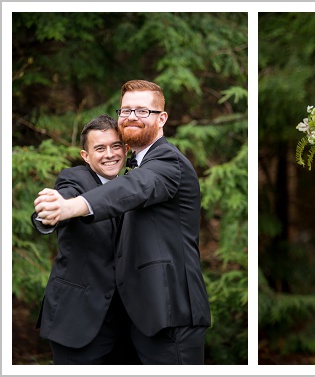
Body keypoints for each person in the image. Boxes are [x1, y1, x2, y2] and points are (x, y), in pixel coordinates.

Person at [34, 80, 211, 364]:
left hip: (170, 312)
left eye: (143, 111)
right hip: (129, 321)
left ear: (162, 118)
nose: (131, 117)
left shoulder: (167, 162)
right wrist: (51, 210)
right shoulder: (90, 175)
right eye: (126, 110)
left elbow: (135, 189)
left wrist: (73, 207)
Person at [30, 114, 140, 364]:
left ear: (125, 149)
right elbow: (62, 200)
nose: (109, 154)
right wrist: (49, 213)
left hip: (127, 326)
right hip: (77, 320)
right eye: (99, 148)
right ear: (85, 156)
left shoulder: (136, 186)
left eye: (115, 146)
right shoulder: (75, 180)